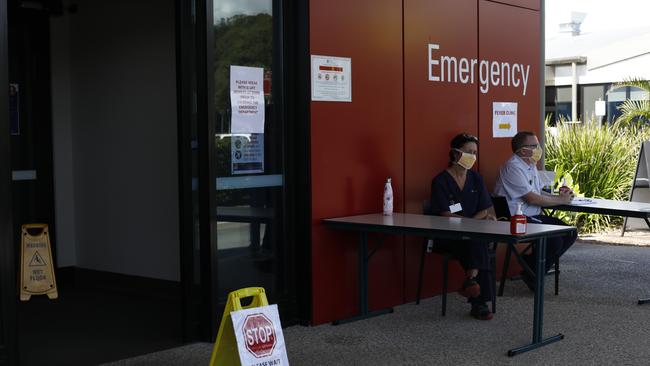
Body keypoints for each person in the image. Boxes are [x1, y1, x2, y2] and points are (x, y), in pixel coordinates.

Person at [493, 131, 577, 291]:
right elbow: (531, 198)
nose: (539, 149)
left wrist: (560, 196)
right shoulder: (513, 167)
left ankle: (532, 268)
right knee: (554, 239)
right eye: (534, 146)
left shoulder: (530, 166)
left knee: (570, 232)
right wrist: (560, 201)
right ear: (523, 150)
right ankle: (533, 271)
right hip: (515, 219)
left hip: (533, 216)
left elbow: (537, 193)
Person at [430, 133, 496, 320]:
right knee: (478, 241)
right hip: (448, 235)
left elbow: (485, 209)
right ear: (455, 154)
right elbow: (444, 213)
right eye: (468, 152)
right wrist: (472, 224)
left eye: (475, 152)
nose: (472, 156)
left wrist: (472, 224)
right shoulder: (440, 181)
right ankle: (477, 296)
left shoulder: (476, 179)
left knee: (475, 240)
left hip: (472, 234)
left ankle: (472, 284)